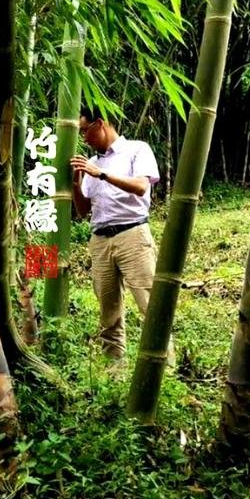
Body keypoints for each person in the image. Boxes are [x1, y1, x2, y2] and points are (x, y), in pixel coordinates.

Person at [70, 106, 171, 363]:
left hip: (132, 235)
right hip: (100, 240)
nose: (83, 138)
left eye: (84, 131)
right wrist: (76, 184)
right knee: (108, 312)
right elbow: (83, 212)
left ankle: (164, 369)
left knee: (150, 305)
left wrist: (101, 174)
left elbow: (140, 186)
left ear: (100, 124)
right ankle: (113, 371)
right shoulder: (90, 163)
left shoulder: (137, 149)